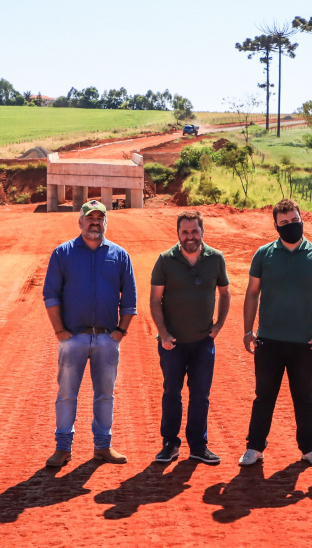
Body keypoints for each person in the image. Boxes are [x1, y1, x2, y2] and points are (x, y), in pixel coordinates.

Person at [239, 199, 312, 468]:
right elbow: (252, 293)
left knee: (304, 396)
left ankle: (309, 448)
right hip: (268, 340)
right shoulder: (263, 254)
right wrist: (248, 330)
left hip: (305, 342)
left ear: (301, 219)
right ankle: (254, 447)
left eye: (294, 221)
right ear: (276, 226)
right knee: (264, 396)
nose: (290, 226)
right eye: (284, 223)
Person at [42, 200, 137, 467]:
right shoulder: (63, 253)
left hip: (107, 338)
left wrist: (120, 332)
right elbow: (50, 295)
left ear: (106, 222)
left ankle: (103, 447)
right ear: (80, 222)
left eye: (99, 218)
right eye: (90, 217)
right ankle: (63, 448)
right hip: (73, 338)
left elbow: (130, 299)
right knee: (67, 394)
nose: (94, 222)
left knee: (105, 394)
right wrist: (59, 331)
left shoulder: (119, 255)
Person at [150, 210, 231, 465]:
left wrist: (218, 325)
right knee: (171, 393)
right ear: (178, 233)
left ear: (202, 231)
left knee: (200, 395)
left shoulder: (216, 259)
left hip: (202, 342)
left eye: (194, 231)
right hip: (172, 343)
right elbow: (154, 300)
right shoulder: (165, 260)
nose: (189, 236)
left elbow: (226, 293)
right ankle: (170, 444)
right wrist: (163, 334)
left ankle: (198, 445)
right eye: (184, 232)